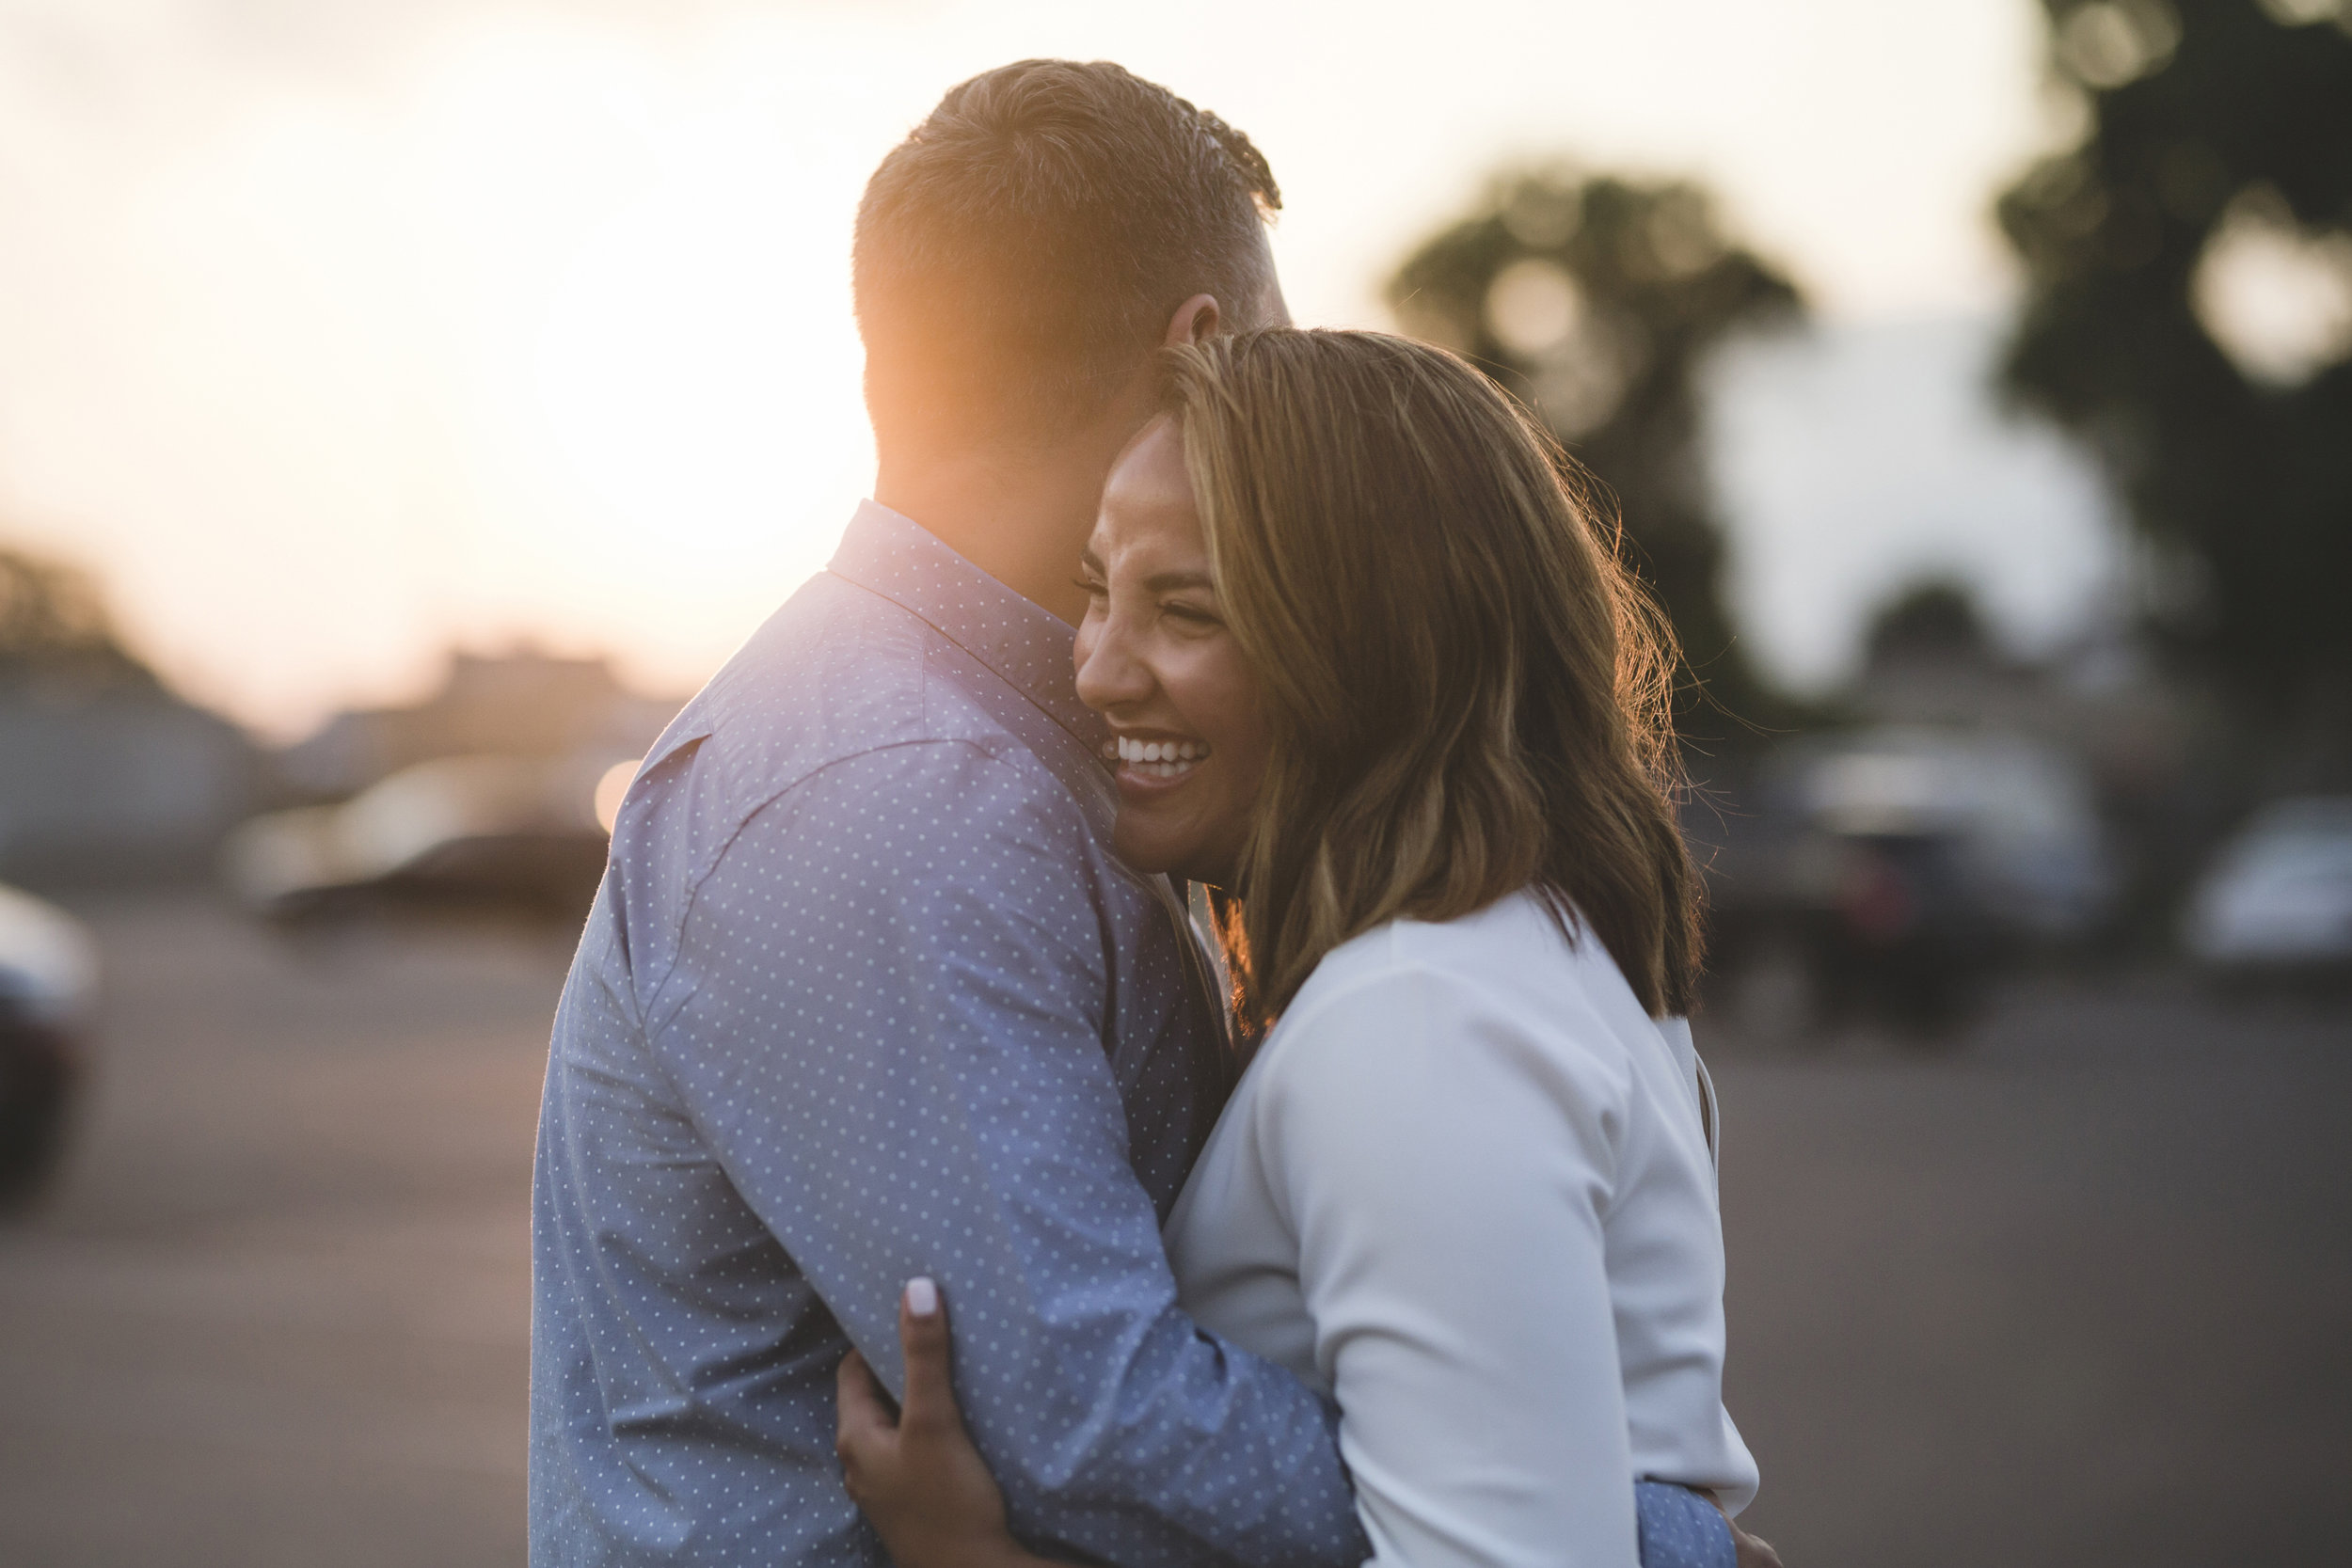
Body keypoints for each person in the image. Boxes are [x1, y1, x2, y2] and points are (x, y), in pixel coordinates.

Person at [834, 328, 1781, 1568]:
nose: (1099, 669)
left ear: (1375, 647)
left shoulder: (1423, 1015)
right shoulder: (1509, 956)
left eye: (1186, 609)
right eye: (1095, 590)